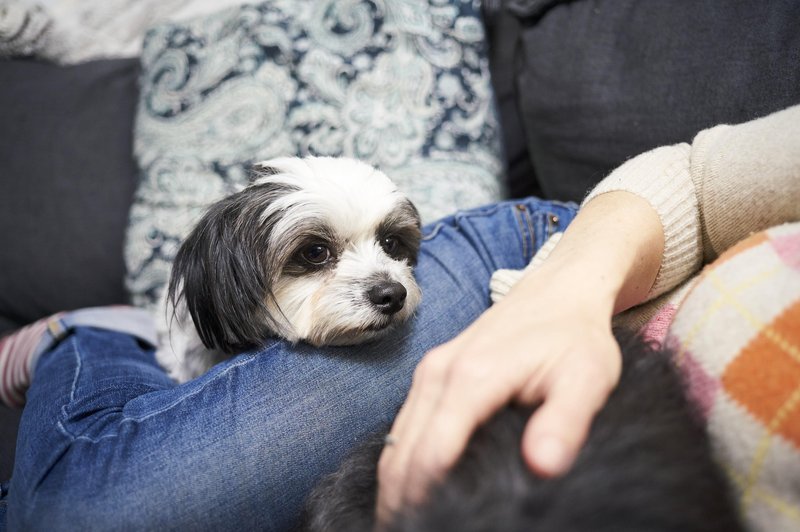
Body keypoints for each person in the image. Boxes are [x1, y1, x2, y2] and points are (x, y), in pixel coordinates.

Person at [1, 105, 798, 530]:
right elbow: (698, 177)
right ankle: (89, 338)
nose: (385, 282)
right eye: (315, 255)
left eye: (392, 245)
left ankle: (95, 344)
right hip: (559, 252)